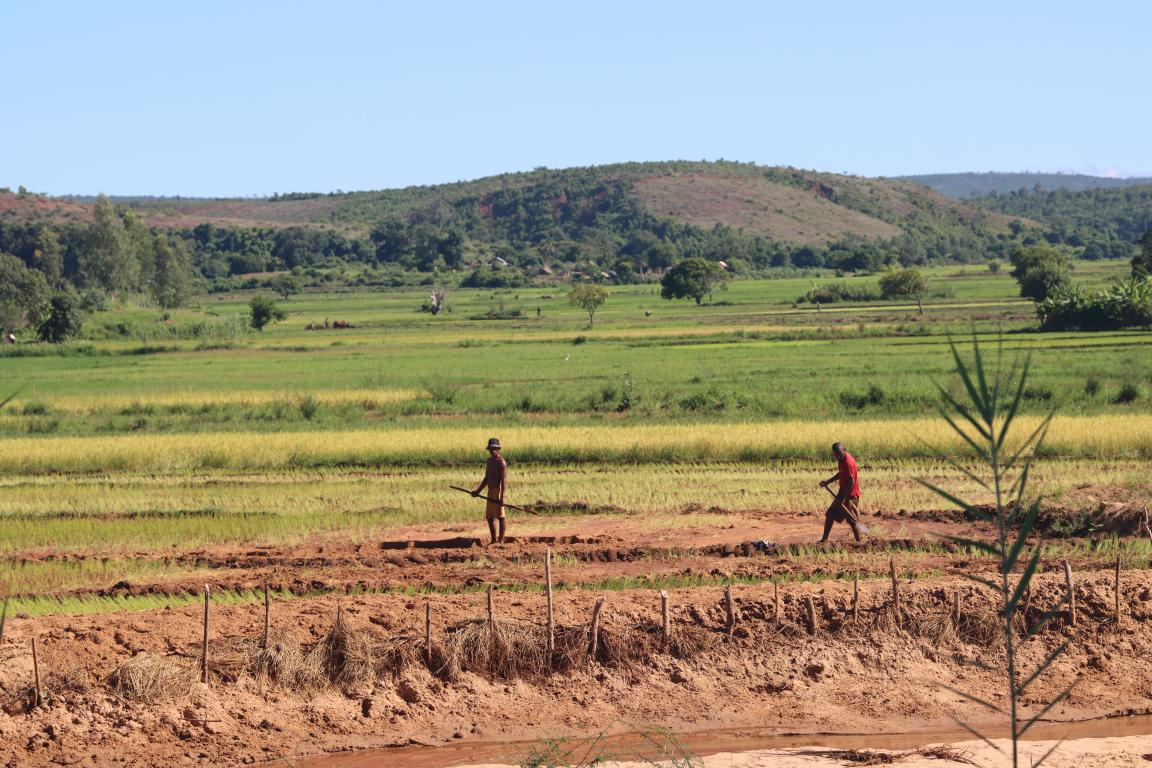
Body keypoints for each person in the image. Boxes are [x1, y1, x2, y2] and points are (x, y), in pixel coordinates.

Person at [818, 442, 862, 543]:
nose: (838, 456)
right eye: (836, 455)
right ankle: (824, 539)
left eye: (840, 454)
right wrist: (828, 481)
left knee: (852, 520)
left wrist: (842, 499)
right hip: (842, 493)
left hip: (851, 495)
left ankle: (859, 543)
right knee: (830, 515)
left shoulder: (848, 462)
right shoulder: (841, 459)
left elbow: (851, 483)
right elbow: (841, 473)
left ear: (844, 450)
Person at [472, 437, 508, 544]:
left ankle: (501, 540)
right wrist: (478, 491)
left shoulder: (501, 463)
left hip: (498, 490)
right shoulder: (489, 462)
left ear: (498, 449)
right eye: (491, 449)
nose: (493, 451)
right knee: (490, 517)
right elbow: (487, 478)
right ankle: (493, 540)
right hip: (490, 490)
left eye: (495, 448)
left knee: (501, 516)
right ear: (488, 449)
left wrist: (502, 496)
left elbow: (504, 481)